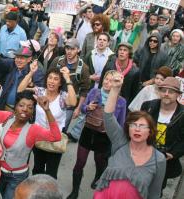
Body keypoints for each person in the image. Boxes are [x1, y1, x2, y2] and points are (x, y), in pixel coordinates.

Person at [0, 85, 61, 199]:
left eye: (30, 107)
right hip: (0, 172)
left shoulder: (33, 129)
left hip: (17, 177)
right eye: (21, 105)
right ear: (15, 107)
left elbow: (56, 136)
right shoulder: (7, 117)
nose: (25, 109)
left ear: (32, 112)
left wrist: (47, 110)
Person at [93, 73, 166, 199]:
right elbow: (108, 116)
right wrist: (115, 89)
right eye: (133, 125)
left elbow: (154, 194)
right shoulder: (120, 141)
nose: (137, 129)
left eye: (142, 126)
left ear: (150, 131)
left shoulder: (158, 159)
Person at [67, 70, 126, 199]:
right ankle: (74, 191)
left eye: (111, 80)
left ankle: (98, 178)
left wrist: (118, 145)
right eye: (106, 79)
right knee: (79, 163)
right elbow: (82, 109)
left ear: (117, 84)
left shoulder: (121, 101)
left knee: (100, 163)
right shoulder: (94, 92)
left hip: (104, 138)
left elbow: (121, 124)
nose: (107, 82)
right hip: (88, 132)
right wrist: (87, 107)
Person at [18, 64, 77, 179]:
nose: (52, 81)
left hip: (55, 140)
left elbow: (73, 102)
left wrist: (68, 79)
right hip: (38, 138)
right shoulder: (40, 91)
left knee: (51, 174)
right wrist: (31, 72)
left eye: (56, 79)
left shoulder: (62, 97)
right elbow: (20, 89)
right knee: (37, 169)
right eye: (50, 78)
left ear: (60, 83)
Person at [141, 77, 184, 192]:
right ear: (159, 92)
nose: (166, 94)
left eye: (171, 92)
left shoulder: (182, 114)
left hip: (164, 162)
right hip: (143, 157)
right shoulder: (147, 106)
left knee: (156, 190)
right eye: (163, 90)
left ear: (178, 95)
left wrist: (173, 154)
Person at [49, 38, 90, 140]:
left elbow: (84, 91)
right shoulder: (57, 61)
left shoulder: (83, 68)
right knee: (47, 126)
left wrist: (78, 108)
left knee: (60, 131)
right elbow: (47, 79)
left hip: (68, 106)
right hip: (52, 100)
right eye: (67, 48)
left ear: (78, 50)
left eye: (72, 49)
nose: (69, 51)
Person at [0, 46, 44, 110]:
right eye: (17, 57)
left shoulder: (35, 72)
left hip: (21, 111)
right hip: (4, 106)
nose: (18, 60)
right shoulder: (12, 64)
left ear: (29, 59)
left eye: (22, 58)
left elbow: (40, 90)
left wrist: (31, 85)